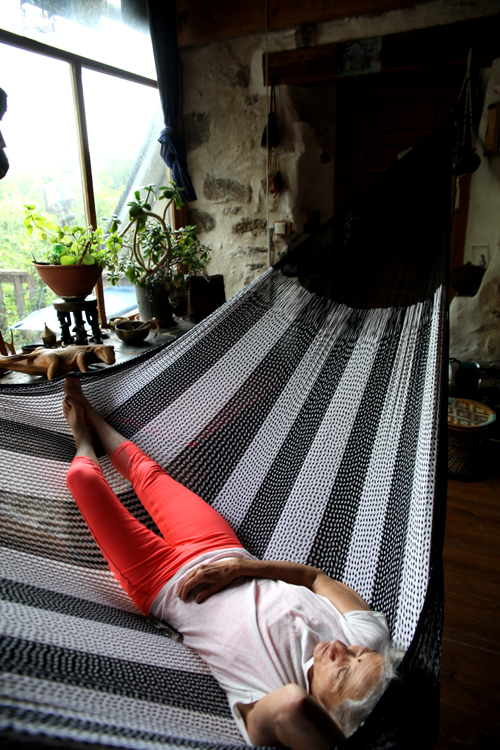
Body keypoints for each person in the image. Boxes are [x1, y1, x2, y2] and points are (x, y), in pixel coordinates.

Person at [62, 376, 401, 749]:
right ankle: (91, 415)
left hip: (161, 583)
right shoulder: (372, 640)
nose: (340, 648)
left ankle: (82, 438)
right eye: (357, 654)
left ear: (332, 719)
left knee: (81, 477)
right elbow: (315, 578)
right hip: (222, 549)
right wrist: (240, 568)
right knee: (148, 474)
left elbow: (294, 706)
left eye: (342, 673)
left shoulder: (271, 697)